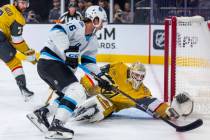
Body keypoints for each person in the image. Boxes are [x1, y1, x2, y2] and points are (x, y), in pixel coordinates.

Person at [26, 5, 108, 139]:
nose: (103, 24)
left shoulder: (93, 40)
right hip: (50, 62)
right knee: (76, 91)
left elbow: (89, 63)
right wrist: (67, 50)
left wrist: (101, 77)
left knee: (74, 95)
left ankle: (42, 114)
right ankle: (56, 125)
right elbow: (56, 31)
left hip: (58, 66)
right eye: (101, 20)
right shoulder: (77, 25)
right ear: (94, 18)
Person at [74, 62, 193, 122]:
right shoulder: (119, 67)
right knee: (82, 87)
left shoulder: (142, 91)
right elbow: (96, 72)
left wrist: (169, 110)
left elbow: (152, 104)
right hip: (92, 89)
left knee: (96, 109)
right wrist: (97, 80)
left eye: (141, 76)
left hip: (110, 103)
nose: (138, 79)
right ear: (131, 72)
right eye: (136, 75)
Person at [0, 0, 36, 101]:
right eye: (22, 3)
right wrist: (28, 52)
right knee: (14, 63)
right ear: (15, 3)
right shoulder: (18, 17)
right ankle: (23, 88)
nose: (24, 6)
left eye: (26, 3)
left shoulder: (6, 6)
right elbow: (17, 41)